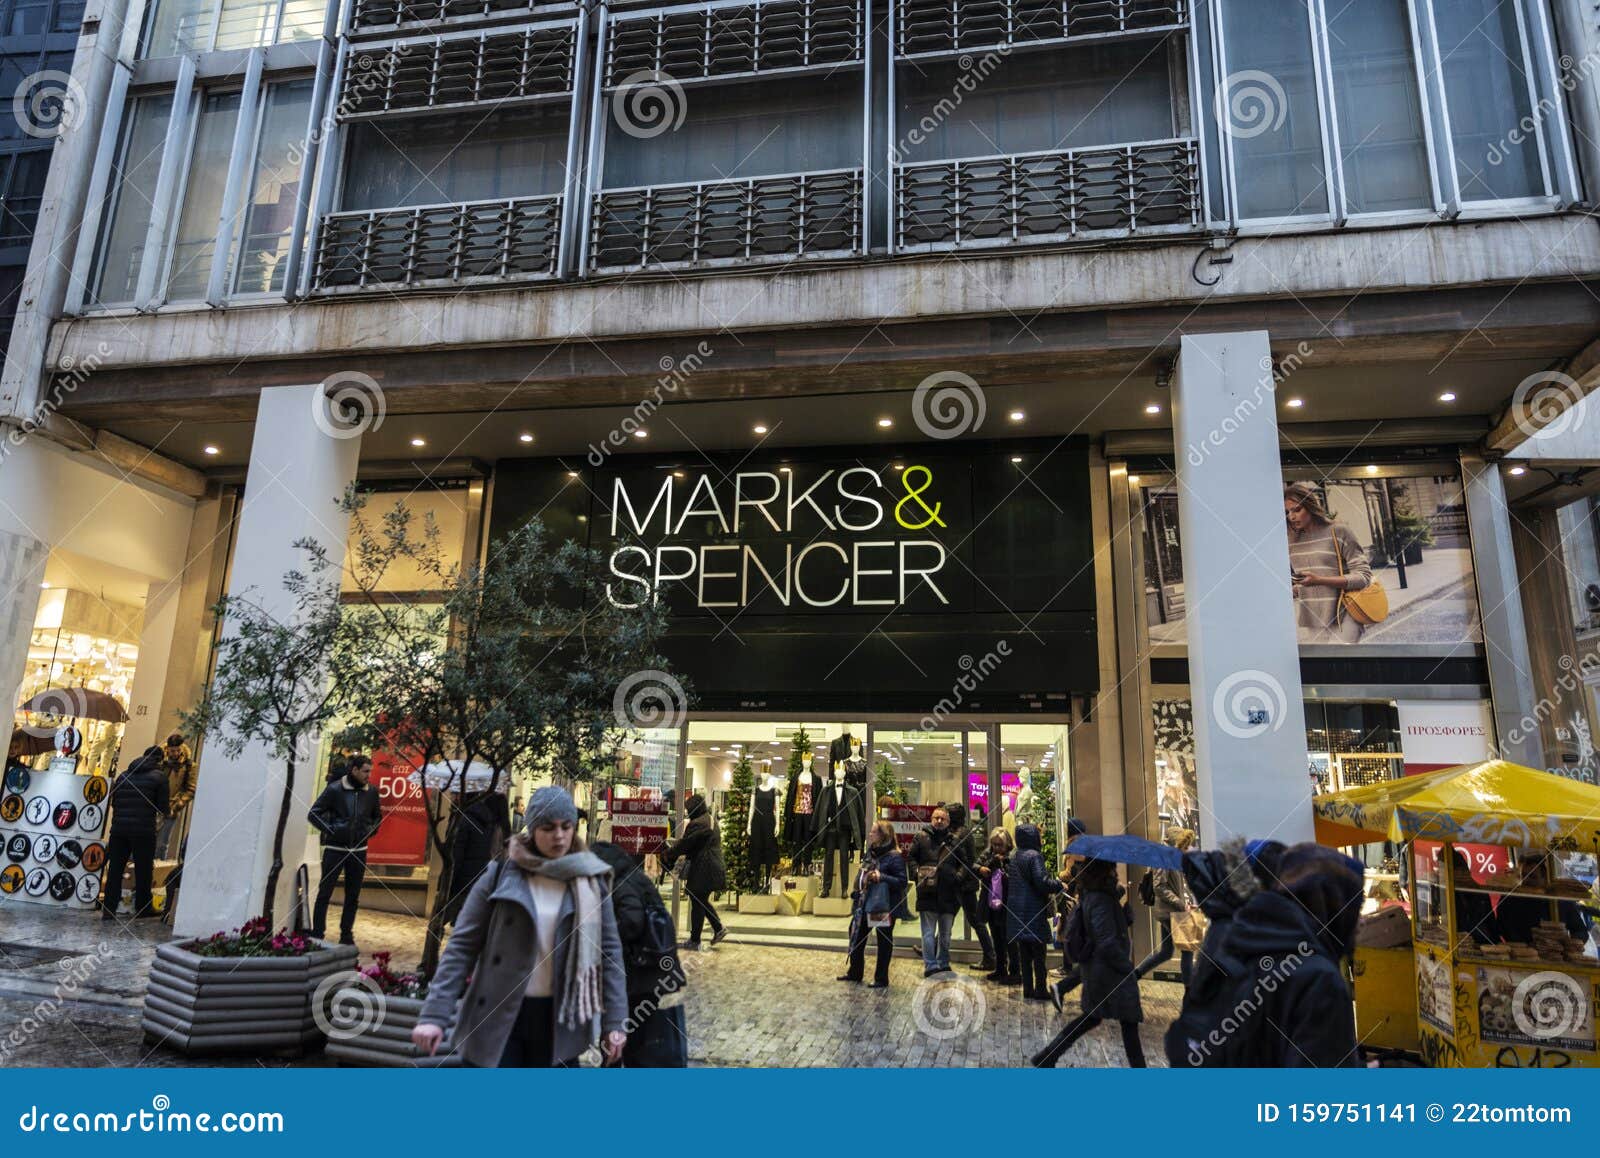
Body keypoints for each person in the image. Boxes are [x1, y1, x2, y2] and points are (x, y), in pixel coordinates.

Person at [413, 786, 628, 1068]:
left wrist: (615, 1020)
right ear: (532, 829)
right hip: (499, 1013)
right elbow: (462, 946)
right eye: (549, 828)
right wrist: (434, 1015)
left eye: (566, 826)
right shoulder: (501, 873)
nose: (560, 836)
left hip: (560, 1018)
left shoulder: (591, 879)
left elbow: (609, 953)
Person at [1165, 843, 1363, 1068]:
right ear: (1334, 905)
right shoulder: (1319, 979)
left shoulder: (1243, 941)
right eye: (1356, 905)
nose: (1361, 921)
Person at [1031, 858, 1145, 1067]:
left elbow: (1105, 929)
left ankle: (1048, 1055)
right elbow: (1106, 938)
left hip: (1102, 971)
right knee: (1127, 1023)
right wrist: (1126, 967)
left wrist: (1124, 916)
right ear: (1104, 872)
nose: (1116, 873)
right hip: (1110, 973)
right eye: (1113, 869)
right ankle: (1047, 1055)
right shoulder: (1100, 898)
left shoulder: (1097, 896)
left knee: (1093, 1018)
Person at [592, 838, 687, 1067]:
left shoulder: (619, 884)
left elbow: (631, 922)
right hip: (655, 972)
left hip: (641, 975)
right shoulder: (636, 879)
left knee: (628, 1033)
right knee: (641, 1035)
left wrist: (606, 939)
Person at [307, 753, 382, 946]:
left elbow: (377, 818)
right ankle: (317, 934)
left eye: (370, 771)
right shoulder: (334, 789)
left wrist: (368, 832)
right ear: (354, 770)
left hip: (359, 851)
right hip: (335, 849)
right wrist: (333, 830)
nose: (368, 775)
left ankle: (346, 934)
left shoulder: (372, 792)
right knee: (325, 893)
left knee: (353, 895)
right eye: (365, 771)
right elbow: (313, 814)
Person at [1285, 482, 1373, 644]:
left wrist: (1320, 580)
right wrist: (1296, 589)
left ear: (1310, 507)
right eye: (1288, 512)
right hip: (1313, 619)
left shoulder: (1339, 531)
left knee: (1340, 664)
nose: (1292, 516)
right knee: (1325, 669)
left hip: (1346, 614)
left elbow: (1364, 577)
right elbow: (1301, 584)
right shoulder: (1291, 541)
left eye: (1297, 510)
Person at [101, 745, 169, 919]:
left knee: (115, 869)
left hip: (118, 830)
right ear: (159, 760)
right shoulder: (160, 778)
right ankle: (142, 907)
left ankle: (109, 908)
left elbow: (115, 803)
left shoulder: (123, 776)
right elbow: (163, 807)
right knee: (143, 869)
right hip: (143, 830)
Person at [838, 820, 908, 988]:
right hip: (865, 902)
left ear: (883, 836)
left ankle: (881, 978)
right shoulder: (871, 853)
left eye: (873, 832)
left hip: (882, 905)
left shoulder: (894, 856)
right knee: (856, 933)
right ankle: (855, 972)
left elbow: (902, 881)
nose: (870, 834)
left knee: (883, 940)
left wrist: (881, 876)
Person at [661, 793, 727, 950]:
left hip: (704, 867)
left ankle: (695, 939)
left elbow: (686, 844)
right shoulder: (709, 819)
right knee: (699, 899)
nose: (687, 813)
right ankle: (718, 929)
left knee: (697, 899)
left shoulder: (698, 823)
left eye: (689, 809)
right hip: (712, 865)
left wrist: (668, 854)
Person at [1007, 822, 1064, 1000]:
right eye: (1039, 835)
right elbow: (1042, 882)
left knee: (1024, 953)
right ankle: (1040, 990)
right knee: (1039, 954)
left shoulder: (1015, 856)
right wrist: (1059, 885)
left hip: (1017, 911)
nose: (1041, 838)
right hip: (1033, 910)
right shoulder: (1034, 856)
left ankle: (1028, 989)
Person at [1134, 827, 1198, 984]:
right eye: (1183, 844)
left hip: (1171, 911)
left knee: (1166, 952)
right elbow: (1159, 886)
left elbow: (1177, 886)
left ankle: (1134, 975)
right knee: (1188, 950)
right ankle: (1191, 994)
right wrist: (1182, 904)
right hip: (1172, 912)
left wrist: (1188, 901)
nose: (1185, 848)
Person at [906, 805, 964, 976]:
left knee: (946, 934)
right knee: (928, 933)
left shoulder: (954, 841)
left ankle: (943, 962)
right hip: (927, 893)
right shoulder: (921, 837)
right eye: (936, 818)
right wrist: (917, 873)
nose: (939, 821)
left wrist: (958, 877)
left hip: (949, 893)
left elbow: (965, 862)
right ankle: (930, 965)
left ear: (948, 821)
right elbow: (911, 858)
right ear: (931, 820)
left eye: (942, 819)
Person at [441, 790, 510, 926]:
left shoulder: (467, 820)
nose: (453, 797)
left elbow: (457, 855)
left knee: (456, 921)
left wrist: (446, 881)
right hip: (482, 879)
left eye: (455, 794)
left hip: (468, 880)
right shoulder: (489, 823)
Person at [946, 802, 996, 973]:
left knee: (975, 921)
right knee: (949, 916)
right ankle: (935, 949)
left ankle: (990, 957)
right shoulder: (963, 832)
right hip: (962, 884)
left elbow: (964, 862)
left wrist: (958, 877)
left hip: (964, 885)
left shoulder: (960, 834)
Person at [977, 828, 1018, 984]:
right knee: (996, 937)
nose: (996, 848)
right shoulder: (988, 853)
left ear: (1007, 843)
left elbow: (1014, 879)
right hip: (991, 903)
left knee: (1010, 939)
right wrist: (989, 865)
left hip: (1008, 903)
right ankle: (1000, 969)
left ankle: (1015, 972)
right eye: (994, 844)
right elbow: (975, 868)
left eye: (1000, 845)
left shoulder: (1013, 856)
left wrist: (1002, 866)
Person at [156, 733, 197, 859]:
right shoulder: (159, 760)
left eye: (178, 750)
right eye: (172, 750)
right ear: (167, 748)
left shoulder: (189, 765)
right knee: (144, 841)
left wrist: (177, 806)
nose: (175, 753)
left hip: (171, 809)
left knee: (162, 845)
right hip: (153, 806)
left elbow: (191, 789)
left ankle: (157, 875)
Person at [1450, 847, 1500, 945]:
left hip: (1481, 942)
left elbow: (1491, 924)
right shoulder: (1445, 891)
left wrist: (1496, 944)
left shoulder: (1478, 892)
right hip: (1465, 943)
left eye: (1462, 871)